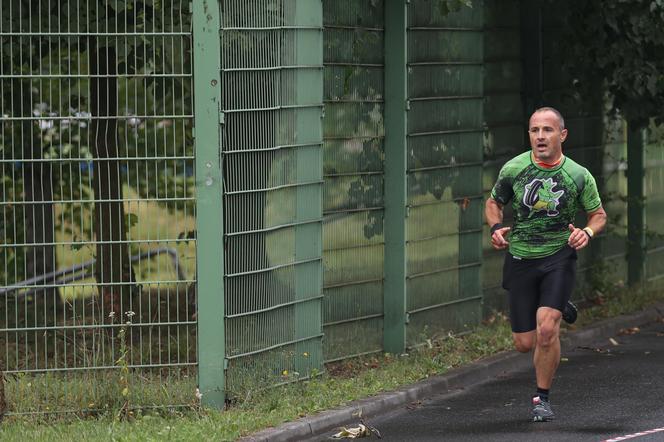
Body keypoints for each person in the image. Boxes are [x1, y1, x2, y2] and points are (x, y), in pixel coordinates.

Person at [485, 107, 607, 422]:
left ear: (562, 135)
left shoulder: (578, 175)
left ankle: (542, 399)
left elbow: (598, 214)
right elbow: (494, 203)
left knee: (547, 330)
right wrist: (496, 229)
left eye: (547, 130)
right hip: (521, 257)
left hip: (558, 256)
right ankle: (559, 304)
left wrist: (587, 232)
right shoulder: (514, 169)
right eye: (535, 130)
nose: (540, 136)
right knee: (524, 343)